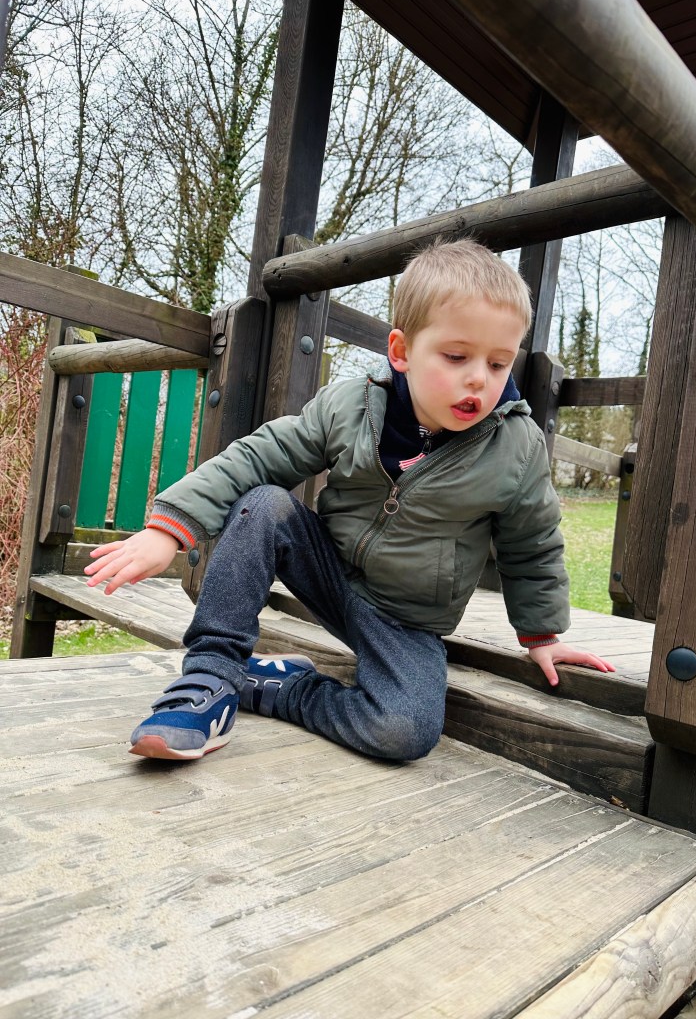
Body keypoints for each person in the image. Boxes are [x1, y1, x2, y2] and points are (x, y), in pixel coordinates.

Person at [85, 238, 614, 762]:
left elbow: (532, 545)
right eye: (456, 356)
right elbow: (260, 455)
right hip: (329, 571)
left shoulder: (515, 447)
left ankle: (276, 688)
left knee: (405, 730)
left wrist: (542, 635)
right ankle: (210, 678)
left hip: (404, 618)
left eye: (499, 364)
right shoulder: (351, 405)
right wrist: (169, 528)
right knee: (265, 504)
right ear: (401, 352)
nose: (479, 377)